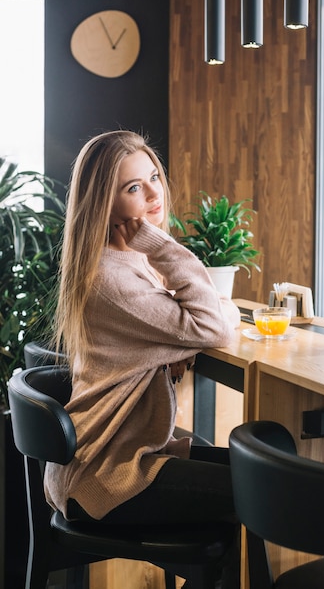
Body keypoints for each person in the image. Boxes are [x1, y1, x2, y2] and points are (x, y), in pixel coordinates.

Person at [44, 129, 242, 587]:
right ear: (104, 203)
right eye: (134, 187)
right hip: (105, 476)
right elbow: (213, 324)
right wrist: (166, 250)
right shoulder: (113, 278)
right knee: (266, 489)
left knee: (258, 471)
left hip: (118, 457)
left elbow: (205, 318)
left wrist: (168, 346)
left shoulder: (122, 260)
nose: (155, 193)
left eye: (154, 176)